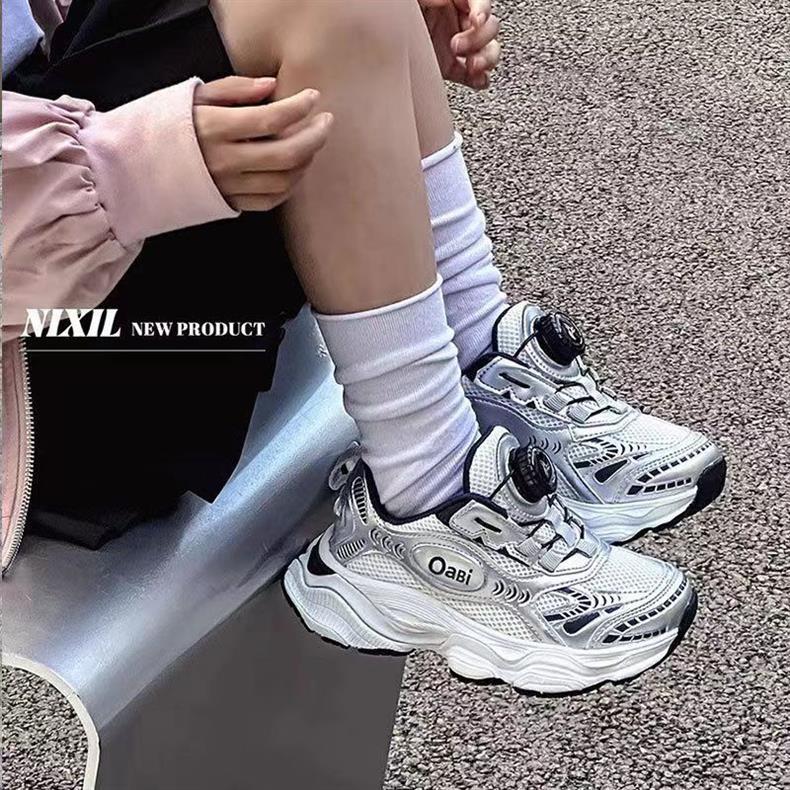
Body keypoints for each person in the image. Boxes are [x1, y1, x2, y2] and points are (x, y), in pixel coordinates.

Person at [2, 0, 725, 694]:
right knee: (319, 8)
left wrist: (383, 38)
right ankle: (424, 496)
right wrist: (116, 169)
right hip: (47, 365)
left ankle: (473, 369)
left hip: (59, 229)